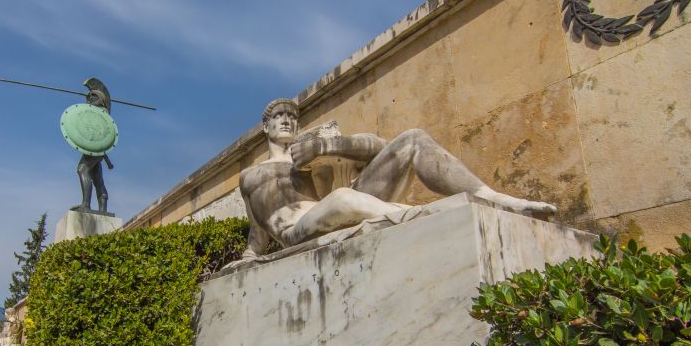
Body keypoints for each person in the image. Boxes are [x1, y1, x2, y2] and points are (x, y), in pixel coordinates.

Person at [238, 98, 556, 260]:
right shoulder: (250, 175)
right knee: (342, 198)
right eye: (278, 116)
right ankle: (418, 214)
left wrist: (326, 146)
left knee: (412, 139)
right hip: (298, 232)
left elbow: (378, 147)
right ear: (265, 128)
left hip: (340, 211)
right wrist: (249, 257)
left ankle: (493, 198)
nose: (287, 120)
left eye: (292, 116)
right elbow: (258, 231)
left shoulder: (310, 158)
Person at [71, 82, 114, 214]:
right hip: (96, 149)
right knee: (97, 179)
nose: (89, 99)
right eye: (88, 97)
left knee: (82, 169)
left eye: (93, 97)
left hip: (96, 148)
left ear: (101, 99)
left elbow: (101, 133)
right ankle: (103, 209)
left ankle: (86, 205)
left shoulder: (102, 113)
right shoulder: (96, 113)